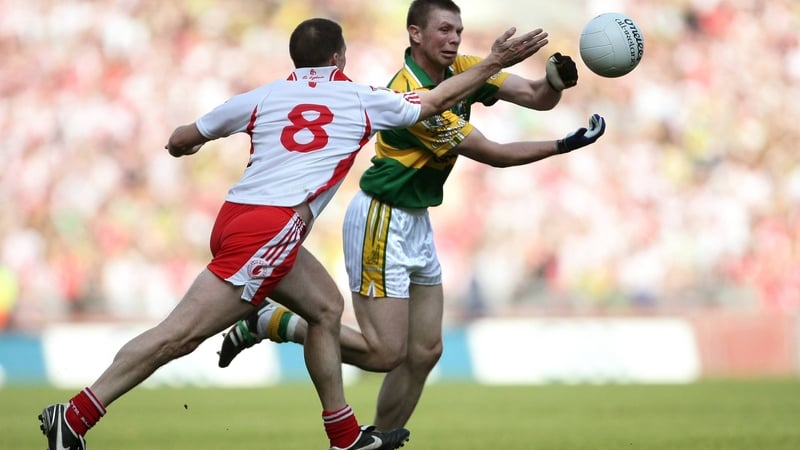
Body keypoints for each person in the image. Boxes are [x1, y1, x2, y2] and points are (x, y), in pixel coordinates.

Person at [37, 16, 549, 450]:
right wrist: (491, 65)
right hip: (274, 228)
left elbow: (181, 138)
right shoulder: (360, 98)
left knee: (325, 309)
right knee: (182, 334)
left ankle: (344, 433)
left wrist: (183, 150)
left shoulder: (262, 95)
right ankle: (76, 418)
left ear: (296, 59)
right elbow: (433, 103)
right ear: (340, 56)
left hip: (237, 216)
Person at [217, 0, 605, 433]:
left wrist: (553, 83)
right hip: (381, 219)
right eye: (444, 30)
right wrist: (562, 146)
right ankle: (273, 322)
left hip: (416, 219)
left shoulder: (465, 67)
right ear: (415, 34)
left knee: (426, 352)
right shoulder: (409, 95)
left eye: (458, 30)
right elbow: (495, 154)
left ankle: (380, 440)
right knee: (385, 354)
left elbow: (535, 96)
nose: (454, 38)